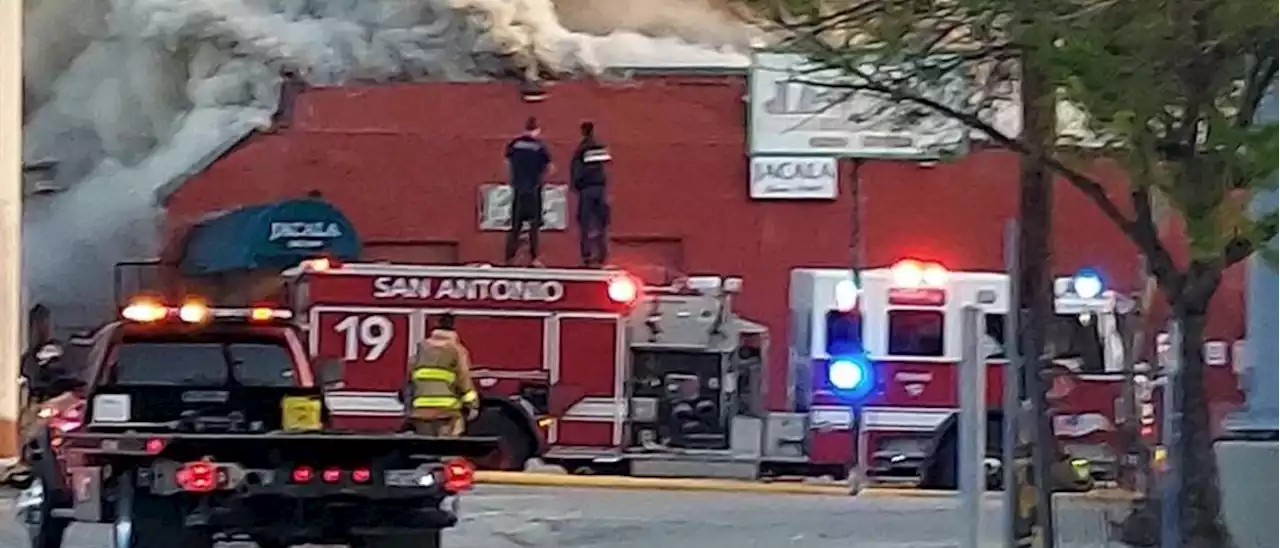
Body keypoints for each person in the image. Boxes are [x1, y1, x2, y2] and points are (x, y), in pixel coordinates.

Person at [404, 313, 479, 437]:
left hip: (421, 411)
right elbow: (464, 378)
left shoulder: (422, 348)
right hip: (447, 412)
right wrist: (472, 405)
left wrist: (408, 406)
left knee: (425, 448)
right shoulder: (456, 350)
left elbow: (409, 378)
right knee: (446, 449)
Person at [503, 116, 554, 267]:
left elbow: (507, 162)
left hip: (518, 188)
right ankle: (534, 259)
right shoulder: (539, 147)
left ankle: (509, 258)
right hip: (533, 189)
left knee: (515, 226)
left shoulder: (514, 144)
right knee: (533, 226)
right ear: (537, 130)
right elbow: (550, 168)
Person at [570, 121, 612, 267]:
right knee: (602, 223)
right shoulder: (600, 148)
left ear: (582, 132)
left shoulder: (581, 150)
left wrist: (576, 185)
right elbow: (605, 167)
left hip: (586, 190)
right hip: (600, 189)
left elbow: (577, 170)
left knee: (585, 224)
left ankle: (586, 256)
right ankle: (602, 255)